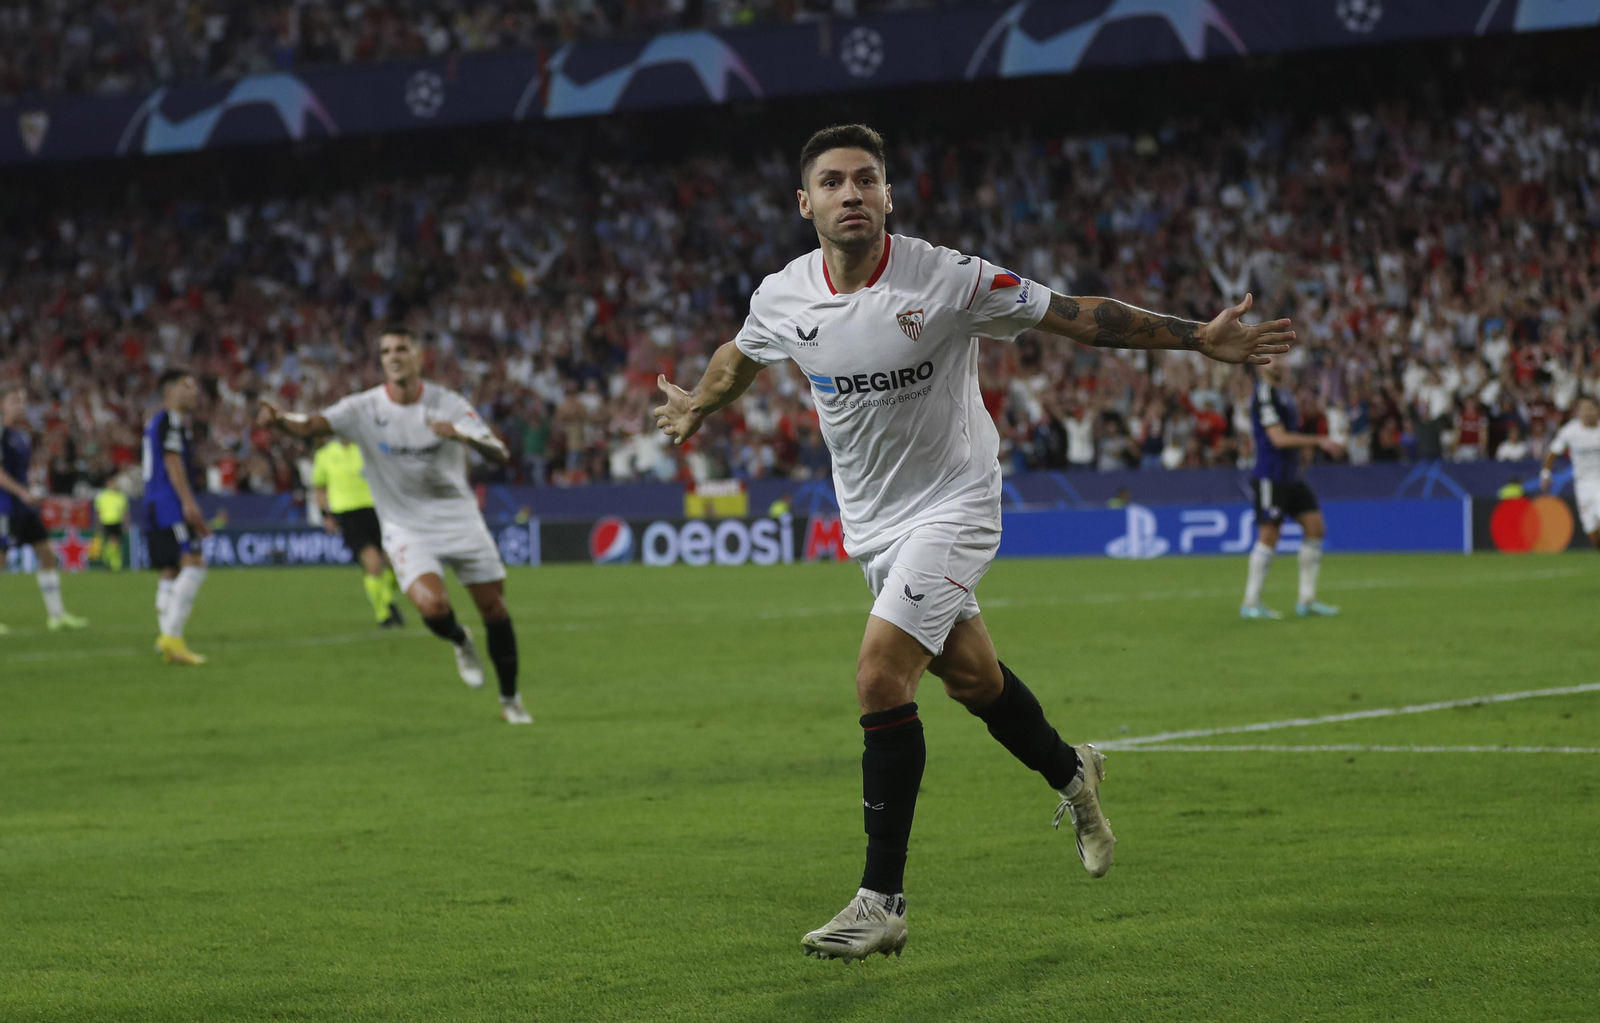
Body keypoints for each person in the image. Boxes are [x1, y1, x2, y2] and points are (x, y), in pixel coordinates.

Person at [651, 124, 1295, 961]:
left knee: (880, 672)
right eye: (834, 182)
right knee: (975, 679)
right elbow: (741, 354)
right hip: (875, 524)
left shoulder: (949, 279)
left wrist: (1196, 337)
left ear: (888, 196)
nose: (852, 194)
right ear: (803, 203)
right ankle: (1076, 773)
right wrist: (701, 403)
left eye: (867, 180)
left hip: (956, 503)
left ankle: (881, 901)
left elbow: (1080, 317)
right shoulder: (784, 296)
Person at [256, 328, 531, 725]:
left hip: (460, 521)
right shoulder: (363, 408)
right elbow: (311, 424)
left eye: (401, 348)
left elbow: (500, 453)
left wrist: (462, 436)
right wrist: (280, 421)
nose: (393, 356)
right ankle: (459, 639)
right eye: (385, 350)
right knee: (432, 606)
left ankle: (511, 700)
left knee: (495, 609)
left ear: (419, 356)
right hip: (406, 526)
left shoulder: (447, 403)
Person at [1240, 361, 1345, 620]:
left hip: (1291, 474)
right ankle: (1251, 602)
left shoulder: (1285, 392)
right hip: (1270, 475)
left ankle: (1307, 600)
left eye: (1281, 357)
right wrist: (1318, 441)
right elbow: (1278, 438)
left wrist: (1302, 452)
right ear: (1261, 364)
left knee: (1315, 527)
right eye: (1272, 357)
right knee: (1269, 534)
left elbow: (1289, 436)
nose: (1279, 362)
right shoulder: (1264, 393)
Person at [0, 385, 89, 633]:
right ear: (2, 405)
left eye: (22, 401)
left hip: (24, 507)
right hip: (5, 506)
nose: (20, 406)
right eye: (14, 401)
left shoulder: (22, 436)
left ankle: (56, 615)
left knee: (48, 554)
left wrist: (31, 491)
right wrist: (22, 492)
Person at [144, 368, 211, 664]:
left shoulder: (156, 421)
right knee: (195, 562)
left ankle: (167, 642)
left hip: (154, 501)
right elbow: (172, 461)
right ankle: (172, 637)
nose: (194, 391)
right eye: (188, 386)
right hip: (169, 501)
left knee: (170, 569)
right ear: (170, 391)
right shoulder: (171, 419)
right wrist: (188, 502)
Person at [311, 436, 404, 628]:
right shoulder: (325, 455)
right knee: (373, 564)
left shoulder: (367, 449)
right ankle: (383, 615)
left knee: (395, 561)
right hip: (347, 514)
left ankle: (386, 599)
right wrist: (326, 515)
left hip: (376, 510)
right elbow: (320, 488)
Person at [1541, 395, 1600, 550]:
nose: (1587, 413)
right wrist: (1546, 474)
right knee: (1592, 534)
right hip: (1582, 485)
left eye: (1590, 408)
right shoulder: (1570, 431)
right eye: (1583, 409)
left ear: (1598, 410)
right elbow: (1552, 452)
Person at [94, 477, 129, 572]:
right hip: (106, 521)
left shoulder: (120, 496)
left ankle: (110, 558)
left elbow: (124, 511)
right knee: (112, 540)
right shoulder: (102, 496)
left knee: (116, 541)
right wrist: (98, 522)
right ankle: (113, 560)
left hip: (117, 521)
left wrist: (125, 522)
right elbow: (98, 510)